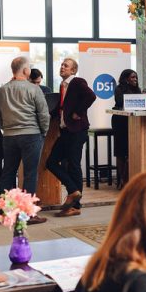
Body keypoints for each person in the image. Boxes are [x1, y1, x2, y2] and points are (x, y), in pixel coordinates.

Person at [0, 56, 50, 224]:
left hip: (9, 136)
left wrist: (7, 128)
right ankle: (27, 215)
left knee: (8, 173)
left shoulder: (2, 90)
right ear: (26, 70)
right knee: (30, 174)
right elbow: (43, 114)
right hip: (31, 135)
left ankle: (2, 212)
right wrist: (43, 132)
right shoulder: (34, 89)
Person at [47, 58, 96, 217]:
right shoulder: (63, 85)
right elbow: (62, 107)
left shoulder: (77, 82)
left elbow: (91, 96)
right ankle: (73, 191)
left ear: (73, 70)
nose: (62, 67)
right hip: (66, 131)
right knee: (51, 162)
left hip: (77, 130)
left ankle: (76, 205)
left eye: (66, 66)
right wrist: (48, 114)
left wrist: (78, 112)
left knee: (74, 165)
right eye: (62, 65)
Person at [111, 69, 142, 188]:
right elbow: (120, 102)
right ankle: (123, 180)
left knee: (131, 151)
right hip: (120, 121)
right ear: (126, 78)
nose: (135, 80)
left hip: (133, 122)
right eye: (133, 77)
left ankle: (125, 180)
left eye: (136, 77)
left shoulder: (137, 90)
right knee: (120, 152)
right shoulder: (119, 89)